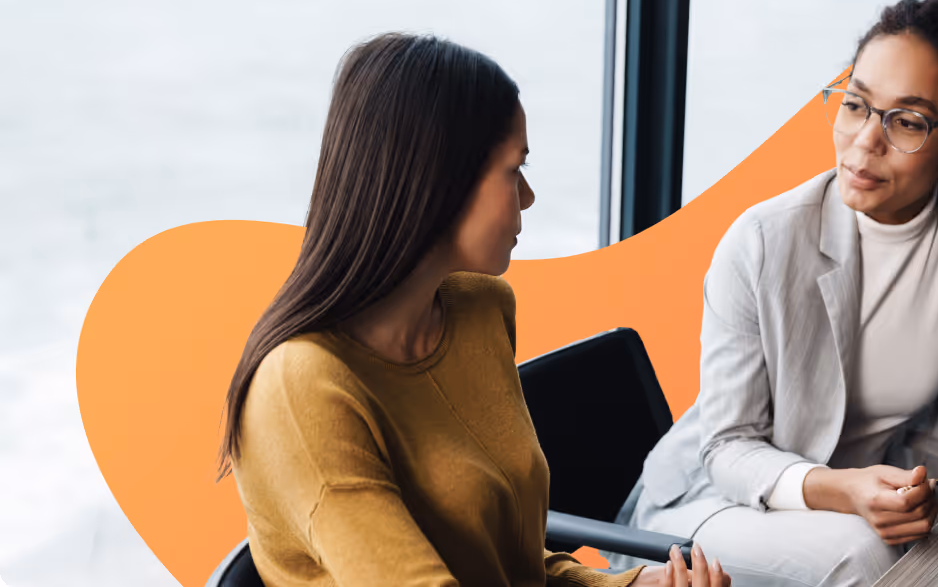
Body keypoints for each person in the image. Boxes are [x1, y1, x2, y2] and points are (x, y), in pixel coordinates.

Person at [215, 32, 731, 587]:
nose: (528, 196)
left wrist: (638, 585)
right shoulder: (303, 388)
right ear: (438, 181)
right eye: (514, 170)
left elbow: (518, 565)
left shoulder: (478, 311)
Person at [606, 0, 938, 586]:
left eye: (907, 121)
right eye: (855, 105)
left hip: (889, 501)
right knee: (868, 552)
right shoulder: (764, 241)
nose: (864, 142)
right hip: (723, 500)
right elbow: (728, 448)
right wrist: (842, 489)